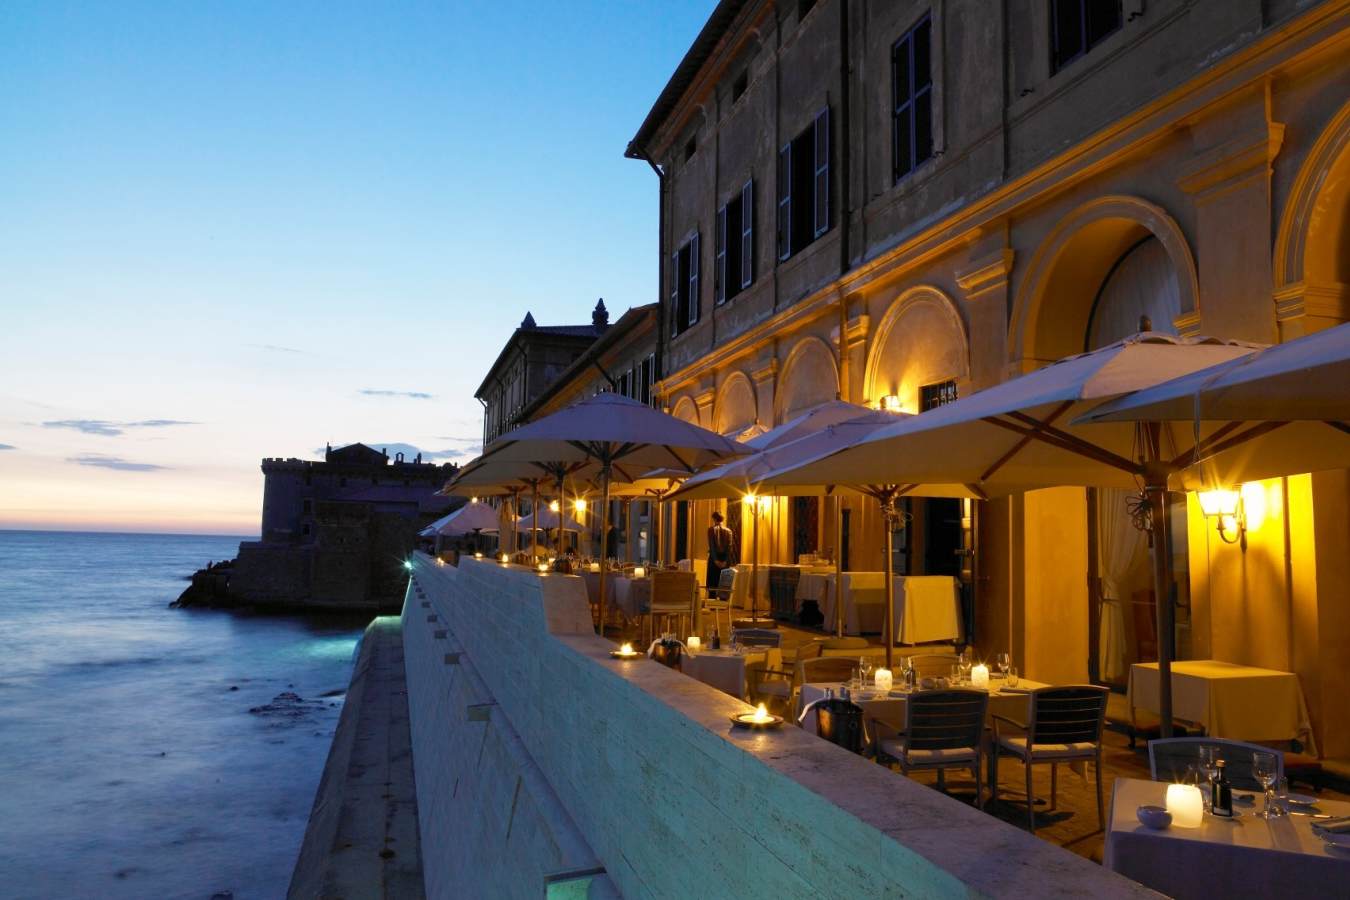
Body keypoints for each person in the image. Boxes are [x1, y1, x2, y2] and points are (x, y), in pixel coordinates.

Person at [706, 511, 735, 593]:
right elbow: (729, 547)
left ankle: (712, 604)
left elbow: (712, 546)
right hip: (725, 559)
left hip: (714, 558)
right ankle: (723, 603)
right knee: (724, 584)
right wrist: (725, 561)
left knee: (713, 584)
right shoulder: (729, 531)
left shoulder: (711, 530)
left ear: (714, 519)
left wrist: (715, 560)